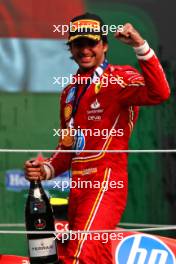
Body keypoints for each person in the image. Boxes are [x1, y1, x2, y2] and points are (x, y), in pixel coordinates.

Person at [25, 13, 170, 264]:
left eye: (91, 43)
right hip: (78, 190)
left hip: (106, 186)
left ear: (104, 45)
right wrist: (44, 169)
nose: (85, 50)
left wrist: (140, 45)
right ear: (70, 48)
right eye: (78, 44)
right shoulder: (70, 92)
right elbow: (66, 150)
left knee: (77, 257)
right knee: (94, 258)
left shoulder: (119, 78)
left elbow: (160, 93)